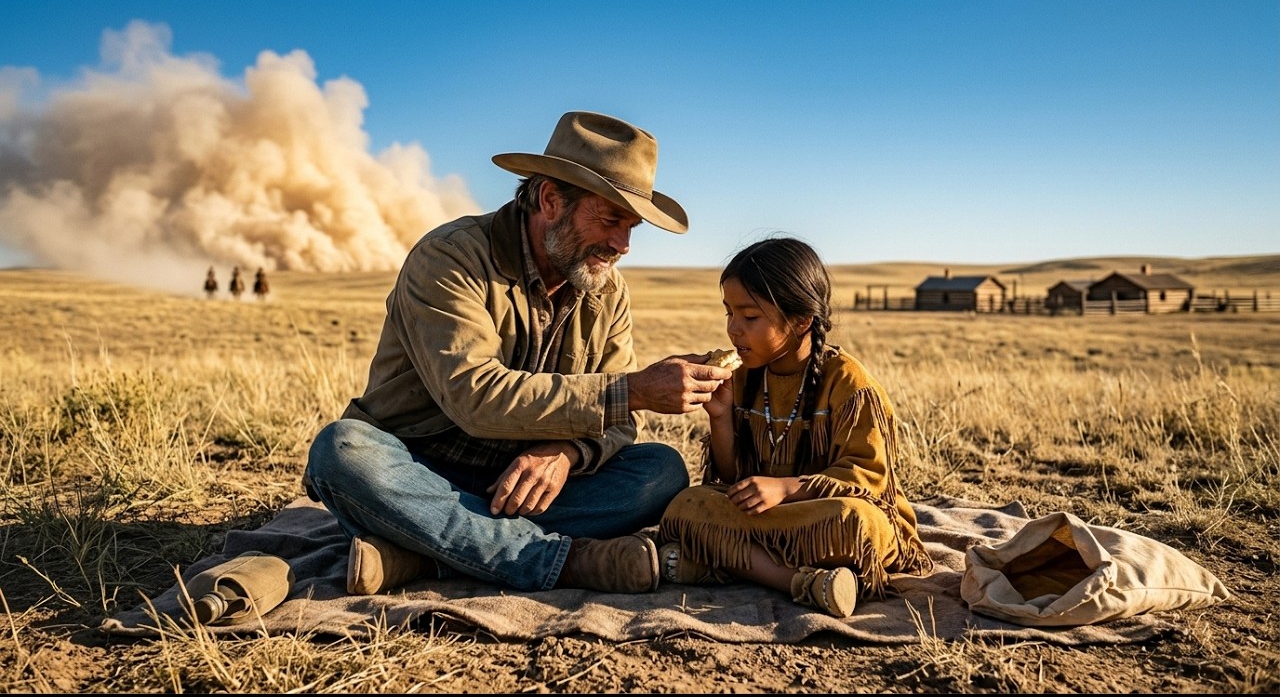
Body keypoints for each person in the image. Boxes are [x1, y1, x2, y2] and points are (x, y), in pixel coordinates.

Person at [303, 111, 734, 596]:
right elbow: (475, 397)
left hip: (525, 484)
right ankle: (553, 560)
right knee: (342, 452)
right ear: (551, 199)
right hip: (420, 463)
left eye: (632, 227)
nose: (623, 244)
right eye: (611, 219)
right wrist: (633, 390)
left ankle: (424, 551)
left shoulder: (608, 292)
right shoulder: (450, 259)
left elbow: (616, 425)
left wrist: (568, 451)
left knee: (661, 470)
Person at [656, 237, 934, 618]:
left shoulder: (850, 385)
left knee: (856, 525)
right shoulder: (745, 377)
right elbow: (731, 479)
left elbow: (868, 481)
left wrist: (788, 488)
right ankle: (804, 582)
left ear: (801, 320)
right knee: (686, 506)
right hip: (770, 523)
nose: (733, 330)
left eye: (749, 317)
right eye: (729, 314)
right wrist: (720, 417)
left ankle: (724, 565)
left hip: (821, 516)